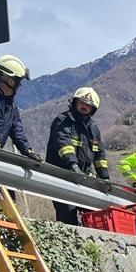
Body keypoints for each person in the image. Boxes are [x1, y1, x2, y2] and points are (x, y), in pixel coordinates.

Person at [46, 88, 110, 225]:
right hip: (62, 177)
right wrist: (73, 165)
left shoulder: (93, 129)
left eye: (88, 105)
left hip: (83, 178)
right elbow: (63, 144)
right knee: (68, 216)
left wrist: (105, 178)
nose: (84, 106)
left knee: (96, 214)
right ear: (75, 102)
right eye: (82, 102)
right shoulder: (63, 121)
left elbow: (99, 155)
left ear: (93, 108)